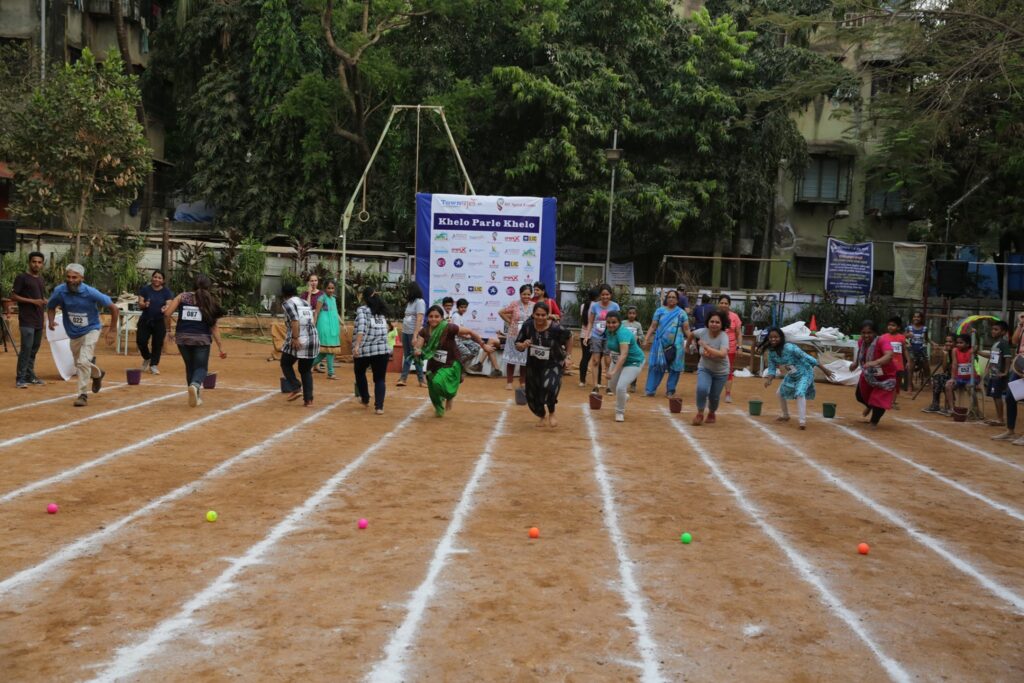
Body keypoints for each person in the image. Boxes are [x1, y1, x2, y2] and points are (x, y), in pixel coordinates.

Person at [46, 263, 119, 407]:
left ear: (82, 278)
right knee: (79, 364)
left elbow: (114, 308)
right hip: (73, 333)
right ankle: (97, 374)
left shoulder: (91, 292)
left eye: (74, 277)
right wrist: (51, 320)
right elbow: (51, 306)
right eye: (68, 277)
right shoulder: (60, 291)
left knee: (83, 362)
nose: (71, 280)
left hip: (91, 329)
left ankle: (82, 395)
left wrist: (112, 330)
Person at [414, 305, 489, 417]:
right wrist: (417, 351)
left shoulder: (448, 328)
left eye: (436, 316)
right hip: (433, 364)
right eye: (431, 316)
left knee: (438, 382)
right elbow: (418, 346)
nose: (433, 319)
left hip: (450, 363)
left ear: (441, 318)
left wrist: (484, 345)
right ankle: (439, 409)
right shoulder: (424, 331)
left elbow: (470, 332)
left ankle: (449, 396)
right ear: (427, 318)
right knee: (432, 388)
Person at [163, 275, 226, 408]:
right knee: (201, 368)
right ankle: (195, 385)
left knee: (190, 367)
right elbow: (214, 327)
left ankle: (195, 396)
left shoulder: (182, 297)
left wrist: (168, 330)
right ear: (208, 286)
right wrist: (221, 347)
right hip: (201, 339)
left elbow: (167, 314)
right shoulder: (210, 300)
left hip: (182, 338)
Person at [515, 302, 573, 427]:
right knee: (532, 394)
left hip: (553, 362)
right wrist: (523, 345)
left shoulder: (556, 328)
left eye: (543, 315)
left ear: (548, 315)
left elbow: (569, 337)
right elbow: (518, 344)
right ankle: (542, 415)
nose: (540, 317)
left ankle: (552, 412)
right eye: (537, 314)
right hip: (533, 365)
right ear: (533, 314)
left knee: (549, 387)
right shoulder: (527, 326)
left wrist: (568, 356)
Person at [763, 327, 833, 429]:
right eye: (771, 337)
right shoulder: (772, 352)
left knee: (800, 393)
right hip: (792, 374)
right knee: (780, 393)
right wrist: (769, 379)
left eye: (776, 337)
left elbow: (807, 357)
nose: (773, 339)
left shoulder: (790, 347)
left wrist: (824, 369)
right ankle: (785, 415)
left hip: (805, 372)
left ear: (781, 338)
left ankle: (802, 422)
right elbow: (772, 368)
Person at [10, 251, 47, 388]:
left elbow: (40, 298)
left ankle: (30, 376)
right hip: (27, 319)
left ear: (42, 264)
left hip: (38, 319)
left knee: (34, 349)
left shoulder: (41, 279)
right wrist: (33, 301)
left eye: (39, 262)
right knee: (26, 348)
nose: (36, 264)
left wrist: (45, 301)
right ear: (29, 262)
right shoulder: (22, 278)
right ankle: (20, 378)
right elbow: (13, 296)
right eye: (34, 262)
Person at [279, 281, 319, 406]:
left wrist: (295, 338)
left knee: (285, 363)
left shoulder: (287, 303)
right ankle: (308, 400)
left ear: (284, 294)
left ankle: (296, 387)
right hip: (313, 339)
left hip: (300, 339)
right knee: (305, 370)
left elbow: (295, 320)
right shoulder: (305, 302)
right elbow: (311, 319)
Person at [851, 320, 897, 427]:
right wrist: (856, 363)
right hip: (869, 374)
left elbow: (889, 355)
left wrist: (876, 362)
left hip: (885, 376)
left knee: (879, 400)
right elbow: (861, 352)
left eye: (869, 333)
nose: (866, 335)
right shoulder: (861, 342)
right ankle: (870, 405)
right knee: (860, 395)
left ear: (875, 332)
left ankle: (873, 422)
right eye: (863, 333)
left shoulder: (882, 341)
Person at [643, 290, 689, 397]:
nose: (671, 299)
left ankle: (670, 390)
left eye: (673, 297)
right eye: (669, 297)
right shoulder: (659, 311)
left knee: (675, 367)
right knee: (656, 365)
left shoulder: (681, 313)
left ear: (677, 300)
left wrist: (692, 342)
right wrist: (646, 338)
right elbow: (653, 326)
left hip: (677, 345)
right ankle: (650, 390)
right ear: (666, 299)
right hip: (660, 344)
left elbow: (686, 329)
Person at [352, 288, 391, 414]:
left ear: (364, 298)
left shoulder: (362, 310)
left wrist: (357, 346)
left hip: (365, 348)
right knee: (380, 379)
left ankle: (365, 398)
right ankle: (379, 407)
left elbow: (361, 328)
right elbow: (386, 328)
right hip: (382, 349)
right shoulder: (381, 311)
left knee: (359, 372)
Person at [689, 311, 731, 425]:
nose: (714, 324)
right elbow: (691, 334)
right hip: (705, 368)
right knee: (702, 389)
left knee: (714, 396)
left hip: (721, 372)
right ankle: (700, 413)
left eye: (717, 322)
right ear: (707, 322)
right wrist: (688, 345)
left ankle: (712, 412)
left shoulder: (723, 336)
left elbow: (722, 354)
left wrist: (705, 346)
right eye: (712, 321)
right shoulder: (702, 332)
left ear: (722, 324)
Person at [604, 311, 645, 423]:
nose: (611, 325)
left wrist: (613, 371)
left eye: (614, 322)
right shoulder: (608, 331)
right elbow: (612, 350)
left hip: (633, 361)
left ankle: (619, 412)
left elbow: (624, 354)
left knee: (620, 387)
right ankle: (624, 397)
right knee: (612, 387)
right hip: (618, 360)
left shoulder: (623, 333)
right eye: (608, 322)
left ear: (620, 322)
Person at [582, 284, 620, 394]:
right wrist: (587, 335)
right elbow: (590, 322)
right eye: (603, 295)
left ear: (610, 295)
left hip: (610, 336)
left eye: (607, 294)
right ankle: (595, 386)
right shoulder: (595, 306)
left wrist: (617, 335)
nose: (605, 297)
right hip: (596, 335)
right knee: (595, 361)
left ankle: (609, 386)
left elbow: (618, 322)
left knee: (608, 361)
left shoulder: (615, 306)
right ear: (600, 295)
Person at [136, 269, 174, 376]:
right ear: (152, 278)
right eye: (155, 277)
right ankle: (147, 357)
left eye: (159, 278)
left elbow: (169, 304)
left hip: (159, 321)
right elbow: (140, 303)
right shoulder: (145, 289)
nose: (157, 279)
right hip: (145, 320)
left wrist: (165, 307)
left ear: (163, 280)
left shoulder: (167, 292)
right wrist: (144, 305)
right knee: (141, 341)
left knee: (157, 344)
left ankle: (153, 365)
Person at [450, 298, 502, 373]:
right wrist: (468, 336)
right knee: (467, 353)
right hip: (456, 340)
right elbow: (457, 331)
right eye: (461, 307)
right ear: (457, 307)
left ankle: (466, 366)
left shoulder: (460, 315)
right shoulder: (456, 316)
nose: (463, 309)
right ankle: (456, 367)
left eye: (465, 307)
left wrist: (469, 336)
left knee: (476, 348)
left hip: (463, 339)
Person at [499, 284, 535, 390]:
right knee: (511, 359)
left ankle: (522, 381)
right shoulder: (514, 304)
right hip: (513, 335)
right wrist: (510, 322)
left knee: (525, 360)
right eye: (524, 294)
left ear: (531, 295)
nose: (526, 296)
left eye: (528, 294)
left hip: (527, 336)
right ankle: (509, 382)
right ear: (520, 294)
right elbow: (501, 312)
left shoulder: (534, 305)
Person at [983, 320, 1011, 427]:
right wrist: (977, 352)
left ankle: (1000, 419)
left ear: (1003, 332)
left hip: (999, 375)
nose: (993, 331)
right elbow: (992, 357)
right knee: (995, 396)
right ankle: (999, 418)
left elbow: (1008, 357)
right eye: (992, 329)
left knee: (997, 396)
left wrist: (1005, 372)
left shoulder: (1003, 343)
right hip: (993, 374)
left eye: (996, 329)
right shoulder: (996, 343)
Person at [398, 282, 426, 387]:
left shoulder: (420, 302)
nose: (407, 292)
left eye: (408, 290)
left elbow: (419, 319)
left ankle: (421, 380)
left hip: (413, 333)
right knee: (407, 356)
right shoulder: (410, 302)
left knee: (416, 356)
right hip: (405, 332)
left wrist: (415, 335)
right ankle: (403, 378)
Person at [718, 294, 743, 403]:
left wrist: (740, 347)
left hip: (730, 348)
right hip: (716, 348)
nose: (724, 305)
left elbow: (739, 333)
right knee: (714, 370)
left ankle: (728, 394)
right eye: (722, 303)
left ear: (729, 305)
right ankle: (713, 392)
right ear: (718, 304)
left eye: (726, 303)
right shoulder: (714, 316)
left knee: (728, 371)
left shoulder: (734, 317)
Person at [944, 334, 977, 412]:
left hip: (971, 378)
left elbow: (976, 345)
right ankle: (952, 409)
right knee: (948, 385)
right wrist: (952, 378)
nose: (958, 344)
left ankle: (975, 409)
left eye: (961, 343)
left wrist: (975, 334)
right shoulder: (955, 350)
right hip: (960, 378)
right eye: (957, 343)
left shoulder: (971, 350)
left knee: (969, 387)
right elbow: (954, 364)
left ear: (967, 344)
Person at [923, 335, 954, 415]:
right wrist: (945, 355)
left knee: (942, 379)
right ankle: (935, 405)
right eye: (946, 341)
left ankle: (948, 406)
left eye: (950, 342)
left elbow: (952, 368)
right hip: (950, 375)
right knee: (937, 378)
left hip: (956, 376)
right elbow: (944, 368)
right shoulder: (948, 352)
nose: (948, 343)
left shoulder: (955, 351)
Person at [880, 316, 908, 407]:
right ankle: (884, 399)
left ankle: (892, 401)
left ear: (898, 327)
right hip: (886, 365)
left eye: (893, 325)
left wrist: (908, 361)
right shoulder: (883, 337)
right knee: (885, 381)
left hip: (898, 365)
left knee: (896, 383)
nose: (890, 327)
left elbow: (905, 350)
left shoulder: (902, 338)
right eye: (889, 325)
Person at [578, 287, 599, 387]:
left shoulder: (583, 305)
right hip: (594, 335)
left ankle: (582, 380)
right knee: (597, 358)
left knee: (584, 358)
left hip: (583, 334)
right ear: (597, 296)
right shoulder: (597, 306)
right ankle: (598, 382)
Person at [905, 312, 929, 391]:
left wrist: (932, 343)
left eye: (918, 317)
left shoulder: (925, 328)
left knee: (926, 365)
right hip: (911, 348)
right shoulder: (909, 328)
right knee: (911, 367)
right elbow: (903, 336)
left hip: (922, 348)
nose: (916, 318)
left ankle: (928, 381)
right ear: (912, 318)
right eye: (914, 317)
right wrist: (907, 335)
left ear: (921, 318)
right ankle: (909, 385)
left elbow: (926, 339)